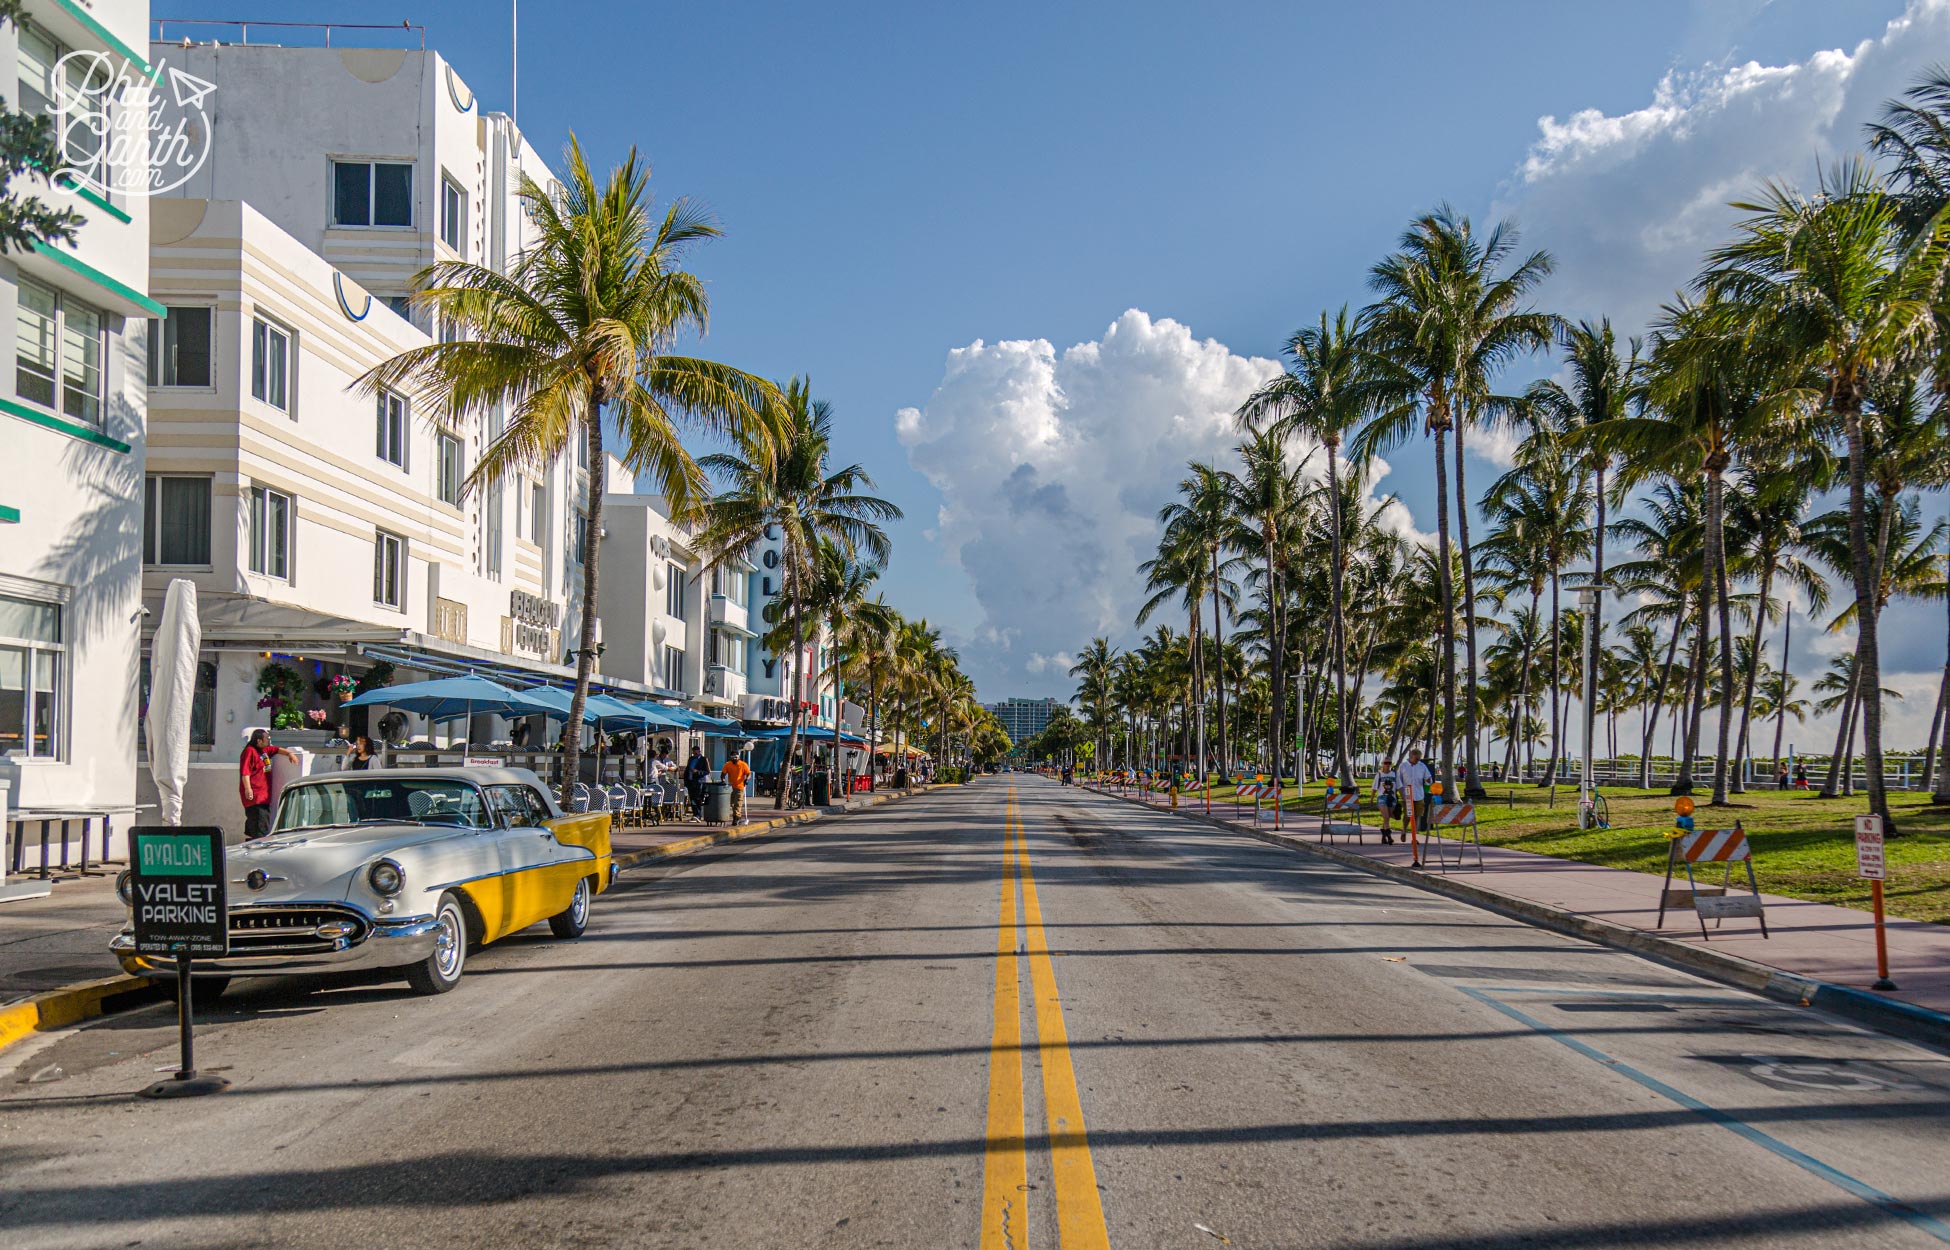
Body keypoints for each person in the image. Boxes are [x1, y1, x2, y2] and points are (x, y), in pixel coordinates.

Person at [239, 729, 293, 839]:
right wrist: (248, 789)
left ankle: (249, 844)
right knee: (260, 826)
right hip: (256, 796)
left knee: (253, 825)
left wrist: (289, 754)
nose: (268, 740)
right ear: (259, 741)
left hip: (264, 795)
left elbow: (276, 750)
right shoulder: (250, 751)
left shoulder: (264, 751)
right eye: (266, 739)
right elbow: (245, 772)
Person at [1397, 748, 1434, 834]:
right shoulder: (1403, 766)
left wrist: (1428, 781)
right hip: (1407, 795)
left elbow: (1428, 778)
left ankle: (1415, 834)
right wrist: (1401, 793)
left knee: (1418, 815)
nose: (1418, 761)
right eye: (1416, 759)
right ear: (1411, 756)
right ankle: (1404, 830)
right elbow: (1399, 781)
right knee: (1408, 815)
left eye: (1419, 759)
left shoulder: (1422, 766)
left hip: (1419, 795)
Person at [1373, 758, 1400, 844]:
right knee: (1386, 817)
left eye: (1389, 763)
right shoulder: (1379, 775)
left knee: (1386, 818)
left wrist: (1404, 797)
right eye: (1386, 763)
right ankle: (1389, 836)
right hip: (1382, 797)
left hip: (1392, 798)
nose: (1387, 765)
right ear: (1382, 764)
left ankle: (1383, 837)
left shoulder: (1395, 774)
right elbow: (1374, 788)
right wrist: (1371, 799)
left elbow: (1399, 787)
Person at [722, 749, 752, 824]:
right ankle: (737, 816)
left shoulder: (743, 764)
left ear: (738, 757)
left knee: (738, 803)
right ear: (731, 757)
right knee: (732, 803)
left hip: (740, 787)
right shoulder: (727, 764)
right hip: (730, 787)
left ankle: (736, 818)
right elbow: (723, 774)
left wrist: (747, 779)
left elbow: (748, 774)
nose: (735, 759)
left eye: (736, 757)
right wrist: (722, 780)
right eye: (733, 757)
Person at [684, 745, 711, 818]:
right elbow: (688, 769)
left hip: (699, 781)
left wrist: (698, 772)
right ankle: (695, 813)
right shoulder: (691, 759)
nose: (695, 754)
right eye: (694, 753)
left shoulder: (703, 759)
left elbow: (707, 771)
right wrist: (686, 779)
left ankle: (698, 814)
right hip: (690, 781)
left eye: (696, 752)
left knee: (698, 798)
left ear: (699, 752)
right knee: (692, 798)